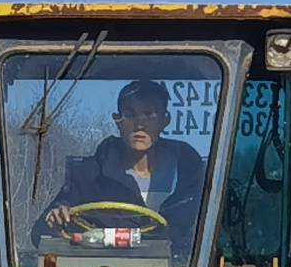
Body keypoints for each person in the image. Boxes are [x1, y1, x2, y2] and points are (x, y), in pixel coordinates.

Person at [42, 77, 202, 236]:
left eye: (149, 114)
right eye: (130, 114)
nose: (140, 124)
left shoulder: (191, 175)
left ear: (165, 120)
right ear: (118, 121)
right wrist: (58, 215)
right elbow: (43, 230)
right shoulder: (89, 176)